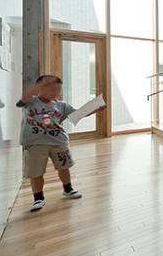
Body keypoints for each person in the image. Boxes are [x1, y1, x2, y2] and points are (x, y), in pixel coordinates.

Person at [18, 75, 107, 211]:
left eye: (58, 89)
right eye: (52, 89)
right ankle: (38, 198)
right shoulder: (31, 101)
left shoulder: (62, 105)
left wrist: (94, 109)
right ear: (39, 89)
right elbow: (23, 98)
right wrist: (39, 85)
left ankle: (68, 189)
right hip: (35, 143)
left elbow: (77, 114)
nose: (56, 92)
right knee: (36, 172)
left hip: (59, 142)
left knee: (64, 167)